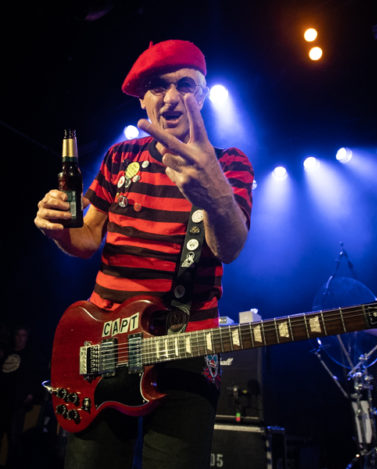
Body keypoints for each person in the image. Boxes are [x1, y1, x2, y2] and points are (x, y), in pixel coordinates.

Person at [33, 39, 254, 469]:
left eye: (184, 85)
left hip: (185, 348)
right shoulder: (120, 158)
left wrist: (214, 192)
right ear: (142, 99)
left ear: (202, 95)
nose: (171, 98)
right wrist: (59, 232)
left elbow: (229, 249)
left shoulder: (230, 163)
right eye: (157, 86)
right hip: (103, 346)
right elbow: (87, 238)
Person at [0, 326, 48, 468]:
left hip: (18, 403)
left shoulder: (30, 356)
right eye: (18, 335)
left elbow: (36, 376)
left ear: (27, 338)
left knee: (14, 438)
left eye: (23, 336)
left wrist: (31, 394)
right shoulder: (6, 353)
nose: (19, 338)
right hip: (1, 401)